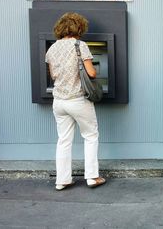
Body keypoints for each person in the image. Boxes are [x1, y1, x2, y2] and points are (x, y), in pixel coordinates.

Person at [45, 12, 106, 191]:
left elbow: (53, 75)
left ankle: (62, 180)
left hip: (59, 102)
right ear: (79, 28)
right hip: (78, 99)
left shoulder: (52, 48)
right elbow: (92, 73)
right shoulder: (80, 45)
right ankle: (92, 177)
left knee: (63, 140)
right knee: (90, 136)